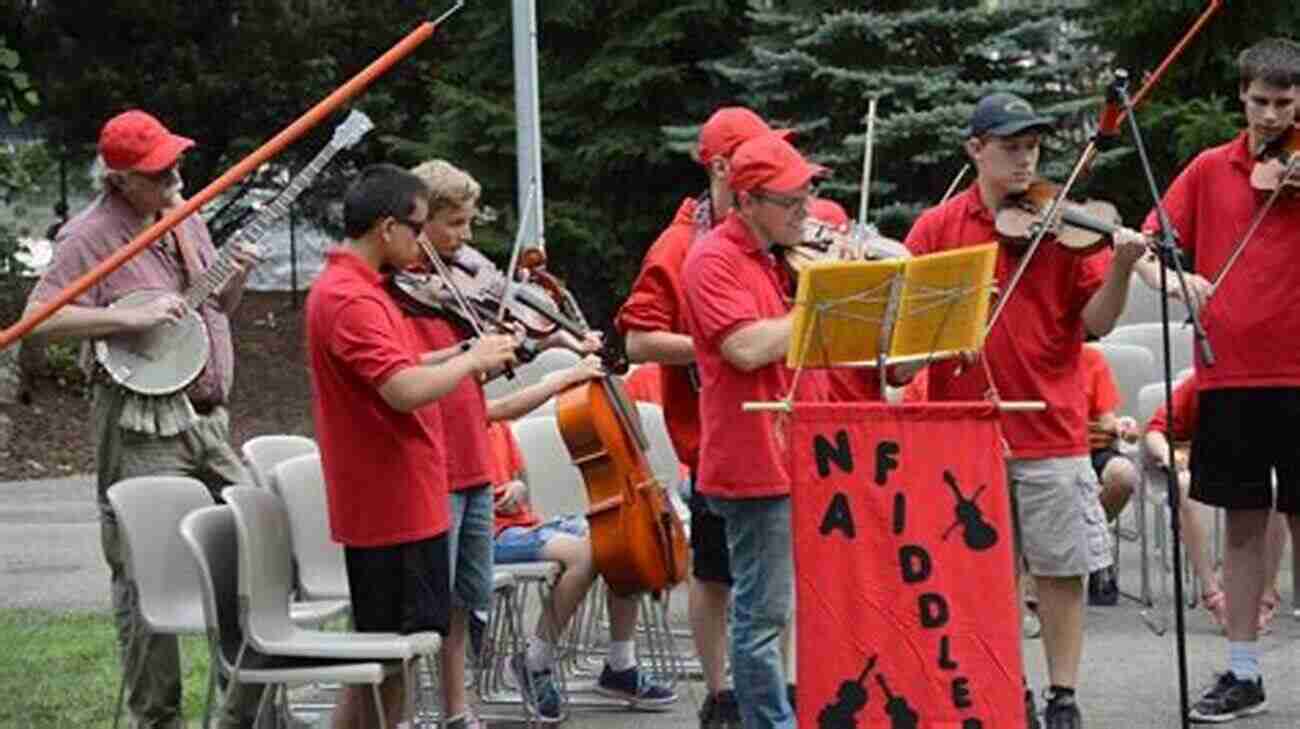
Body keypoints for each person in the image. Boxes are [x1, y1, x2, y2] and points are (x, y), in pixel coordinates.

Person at [902, 92, 1150, 729]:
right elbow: (908, 336)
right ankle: (1000, 684)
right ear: (974, 150)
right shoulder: (936, 229)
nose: (1024, 160)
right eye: (1010, 147)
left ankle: (1063, 694)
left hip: (1051, 424)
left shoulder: (1061, 227)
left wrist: (1120, 267)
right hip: (964, 428)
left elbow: (1095, 324)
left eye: (1033, 148)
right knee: (981, 574)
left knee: (1060, 568)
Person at [23, 109, 264, 729]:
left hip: (209, 418)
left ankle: (239, 712)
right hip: (140, 421)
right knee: (147, 572)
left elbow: (219, 310)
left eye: (175, 163)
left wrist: (236, 276)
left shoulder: (186, 217)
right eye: (159, 173)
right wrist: (124, 319)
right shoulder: (90, 235)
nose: (174, 178)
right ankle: (157, 719)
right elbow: (39, 319)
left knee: (261, 546)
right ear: (120, 178)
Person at [399, 159, 630, 727]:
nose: (467, 241)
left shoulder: (458, 290)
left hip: (475, 471)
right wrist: (540, 367)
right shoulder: (405, 298)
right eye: (455, 225)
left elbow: (485, 384)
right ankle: (410, 711)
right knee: (426, 609)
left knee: (461, 604)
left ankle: (460, 710)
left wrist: (563, 338)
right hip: (438, 467)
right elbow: (443, 389)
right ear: (418, 221)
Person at [305, 163, 517, 729]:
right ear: (386, 228)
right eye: (418, 227)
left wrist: (458, 352)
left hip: (404, 500)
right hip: (389, 505)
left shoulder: (363, 290)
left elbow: (404, 366)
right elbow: (400, 390)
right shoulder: (351, 298)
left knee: (395, 655)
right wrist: (472, 360)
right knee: (385, 656)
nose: (424, 241)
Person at [1132, 38, 1300, 723]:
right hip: (1226, 372)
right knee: (1241, 525)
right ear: (1241, 97)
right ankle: (1243, 670)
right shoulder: (1207, 170)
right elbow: (1144, 247)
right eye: (1259, 101)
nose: (1269, 116)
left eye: (1284, 104)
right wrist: (1172, 279)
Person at [616, 106, 792, 729]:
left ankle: (773, 689)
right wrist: (720, 343)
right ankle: (721, 694)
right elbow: (637, 342)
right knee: (719, 576)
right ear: (723, 168)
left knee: (769, 588)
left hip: (773, 434)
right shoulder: (682, 245)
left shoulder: (772, 243)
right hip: (712, 436)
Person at [681, 132, 829, 729]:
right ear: (747, 201)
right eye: (791, 203)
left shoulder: (771, 257)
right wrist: (820, 306)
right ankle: (768, 720)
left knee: (776, 606)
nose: (806, 213)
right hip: (751, 461)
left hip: (793, 452)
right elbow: (744, 348)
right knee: (761, 613)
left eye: (807, 198)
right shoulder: (713, 259)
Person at [486, 416, 677, 722]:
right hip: (490, 535)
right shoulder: (459, 422)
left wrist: (518, 488)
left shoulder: (500, 426)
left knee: (622, 538)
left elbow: (517, 476)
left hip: (523, 524)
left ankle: (620, 664)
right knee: (584, 555)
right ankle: (533, 661)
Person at [1080, 341, 1141, 606]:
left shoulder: (1091, 359)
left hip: (1093, 449)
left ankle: (1092, 549)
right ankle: (1095, 553)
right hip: (1049, 449)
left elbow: (1105, 419)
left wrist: (1121, 426)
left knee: (1123, 474)